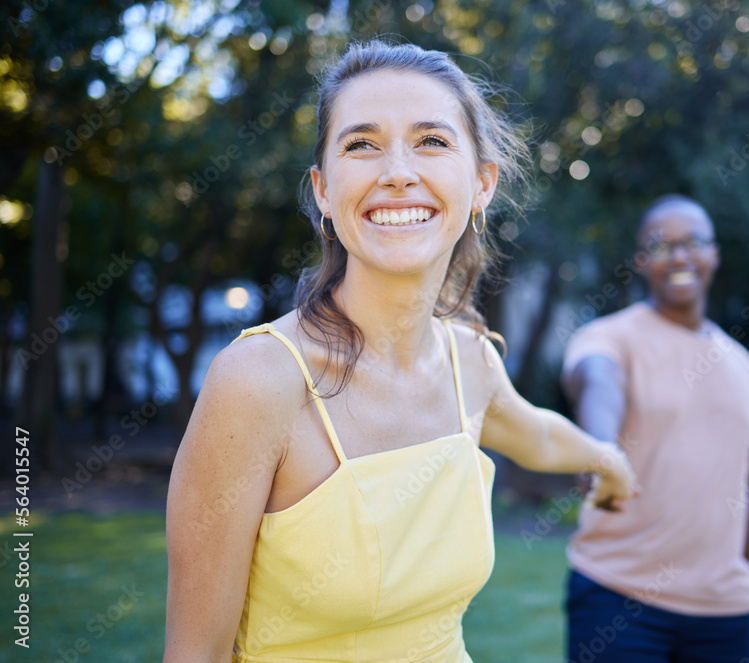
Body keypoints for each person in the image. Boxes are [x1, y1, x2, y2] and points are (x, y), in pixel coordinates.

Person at [163, 41, 636, 663]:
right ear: (324, 191)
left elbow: (539, 436)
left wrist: (609, 463)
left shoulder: (470, 361)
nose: (397, 172)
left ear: (481, 184)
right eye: (361, 144)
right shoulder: (259, 382)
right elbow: (194, 655)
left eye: (432, 142)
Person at [561, 195, 749, 663]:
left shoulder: (744, 368)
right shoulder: (609, 338)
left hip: (725, 612)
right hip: (616, 599)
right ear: (641, 262)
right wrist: (600, 449)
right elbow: (598, 381)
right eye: (661, 245)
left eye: (692, 242)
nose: (678, 256)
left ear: (713, 254)